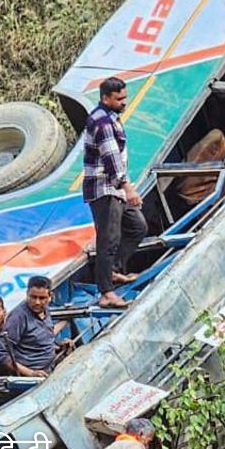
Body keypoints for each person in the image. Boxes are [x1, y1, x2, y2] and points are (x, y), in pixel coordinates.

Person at [83, 77, 149, 309]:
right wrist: (127, 188)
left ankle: (112, 271)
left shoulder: (111, 117)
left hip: (115, 189)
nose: (124, 102)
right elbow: (111, 159)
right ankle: (106, 292)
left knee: (137, 227)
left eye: (125, 97)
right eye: (119, 98)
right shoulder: (102, 122)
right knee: (108, 240)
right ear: (105, 98)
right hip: (105, 188)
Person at [0, 276, 73, 377]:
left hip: (51, 369)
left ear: (50, 297)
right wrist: (30, 373)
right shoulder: (18, 317)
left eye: (42, 298)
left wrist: (59, 347)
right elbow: (1, 353)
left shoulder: (45, 310)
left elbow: (37, 341)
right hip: (33, 378)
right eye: (33, 297)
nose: (37, 302)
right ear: (27, 294)